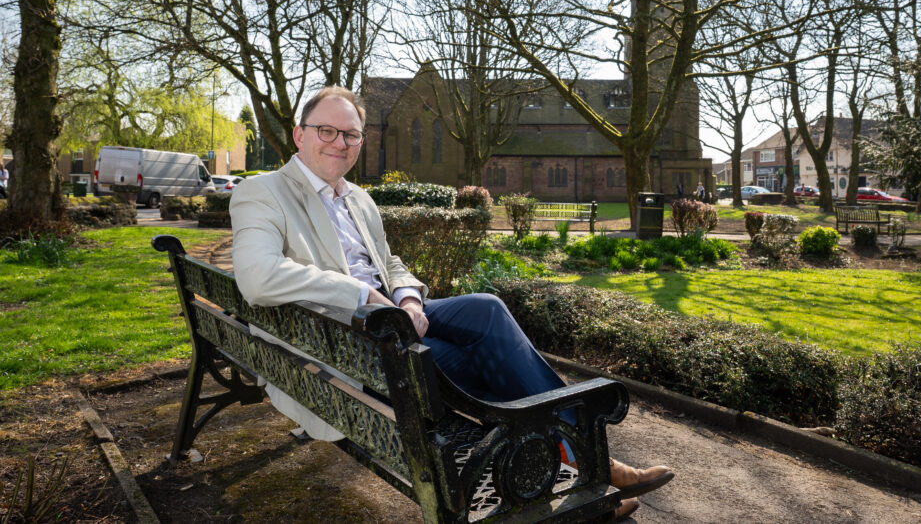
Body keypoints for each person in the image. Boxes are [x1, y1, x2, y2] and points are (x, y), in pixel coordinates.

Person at [230, 87, 672, 519]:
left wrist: (407, 298)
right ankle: (591, 466)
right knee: (488, 365)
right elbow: (257, 275)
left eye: (351, 135)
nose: (340, 143)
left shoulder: (357, 198)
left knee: (487, 309)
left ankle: (582, 466)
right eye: (326, 131)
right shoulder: (264, 192)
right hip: (346, 340)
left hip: (393, 321)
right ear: (299, 134)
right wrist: (363, 295)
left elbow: (390, 263)